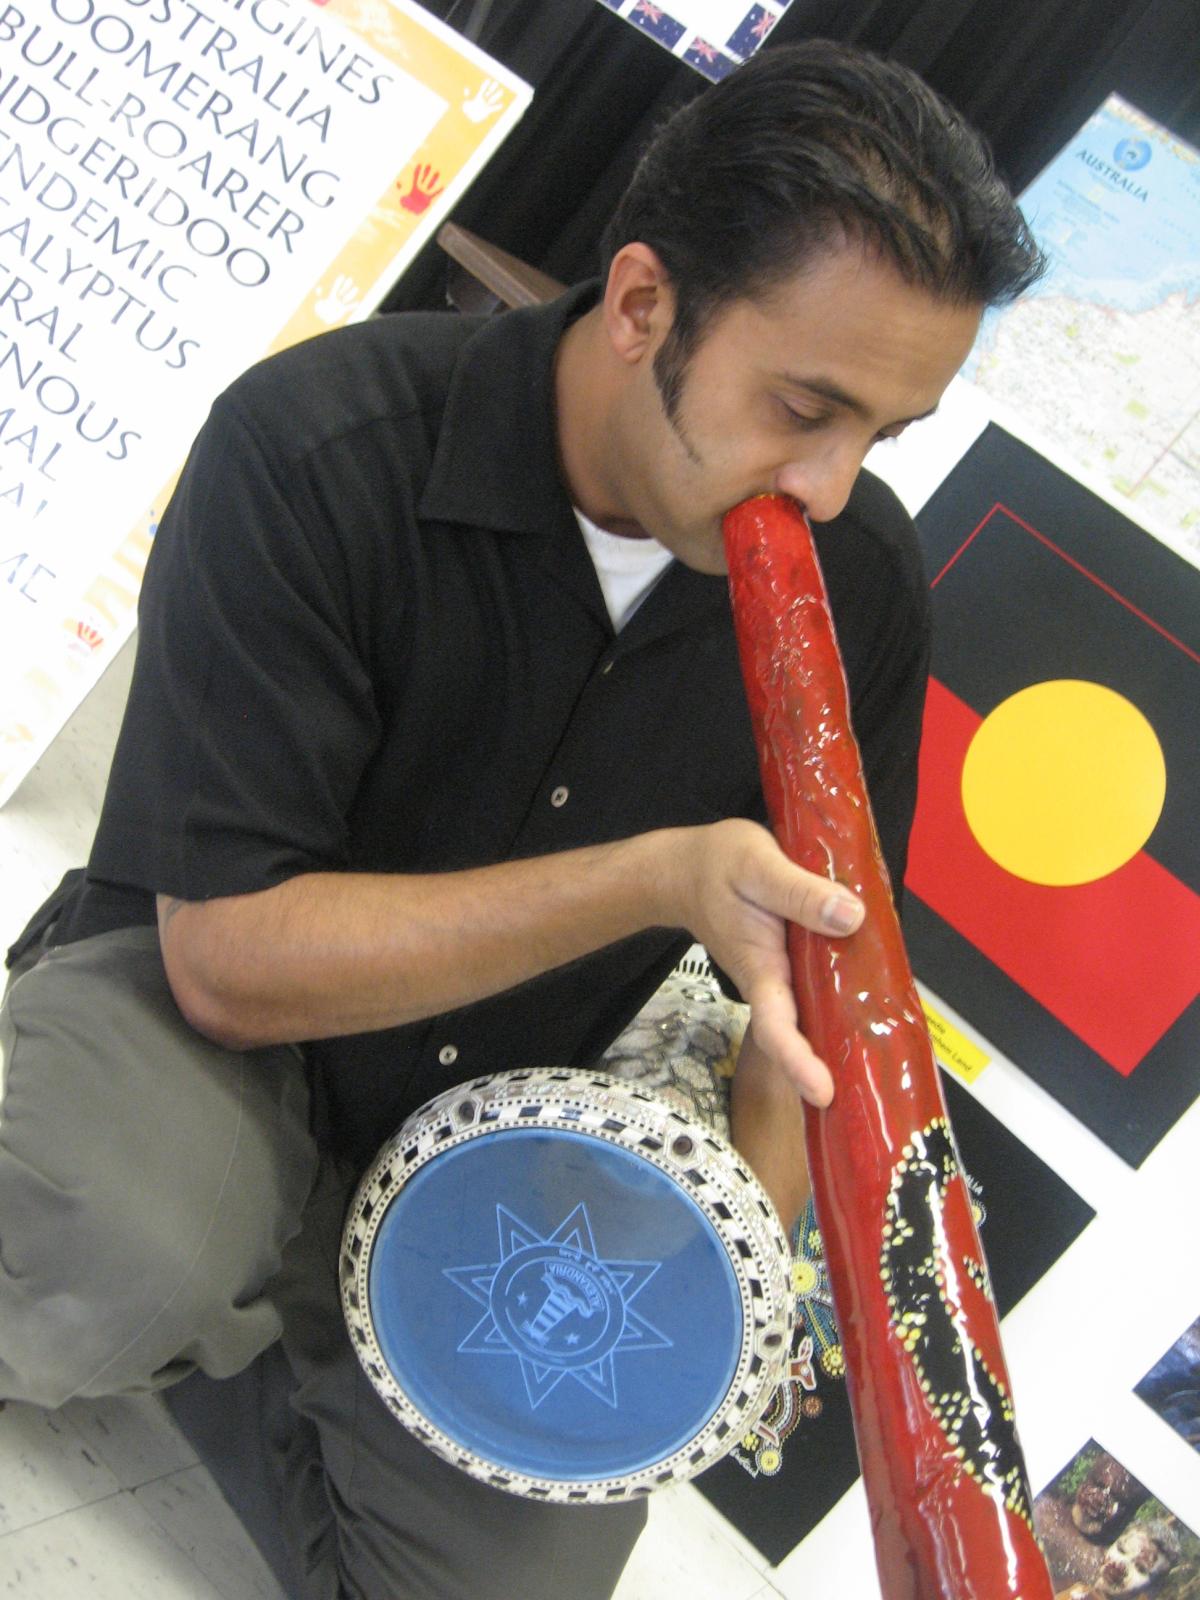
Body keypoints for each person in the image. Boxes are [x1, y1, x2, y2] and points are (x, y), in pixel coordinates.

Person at [0, 38, 1043, 1600]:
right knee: (103, 1236)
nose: (831, 489)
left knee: (518, 1572)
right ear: (642, 308)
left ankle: (234, 1338)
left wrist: (742, 1247)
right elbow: (226, 960)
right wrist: (652, 882)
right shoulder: (315, 442)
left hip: (493, 1131)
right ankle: (177, 1281)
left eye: (881, 437)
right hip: (196, 1020)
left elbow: (801, 1001)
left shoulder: (866, 578)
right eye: (805, 408)